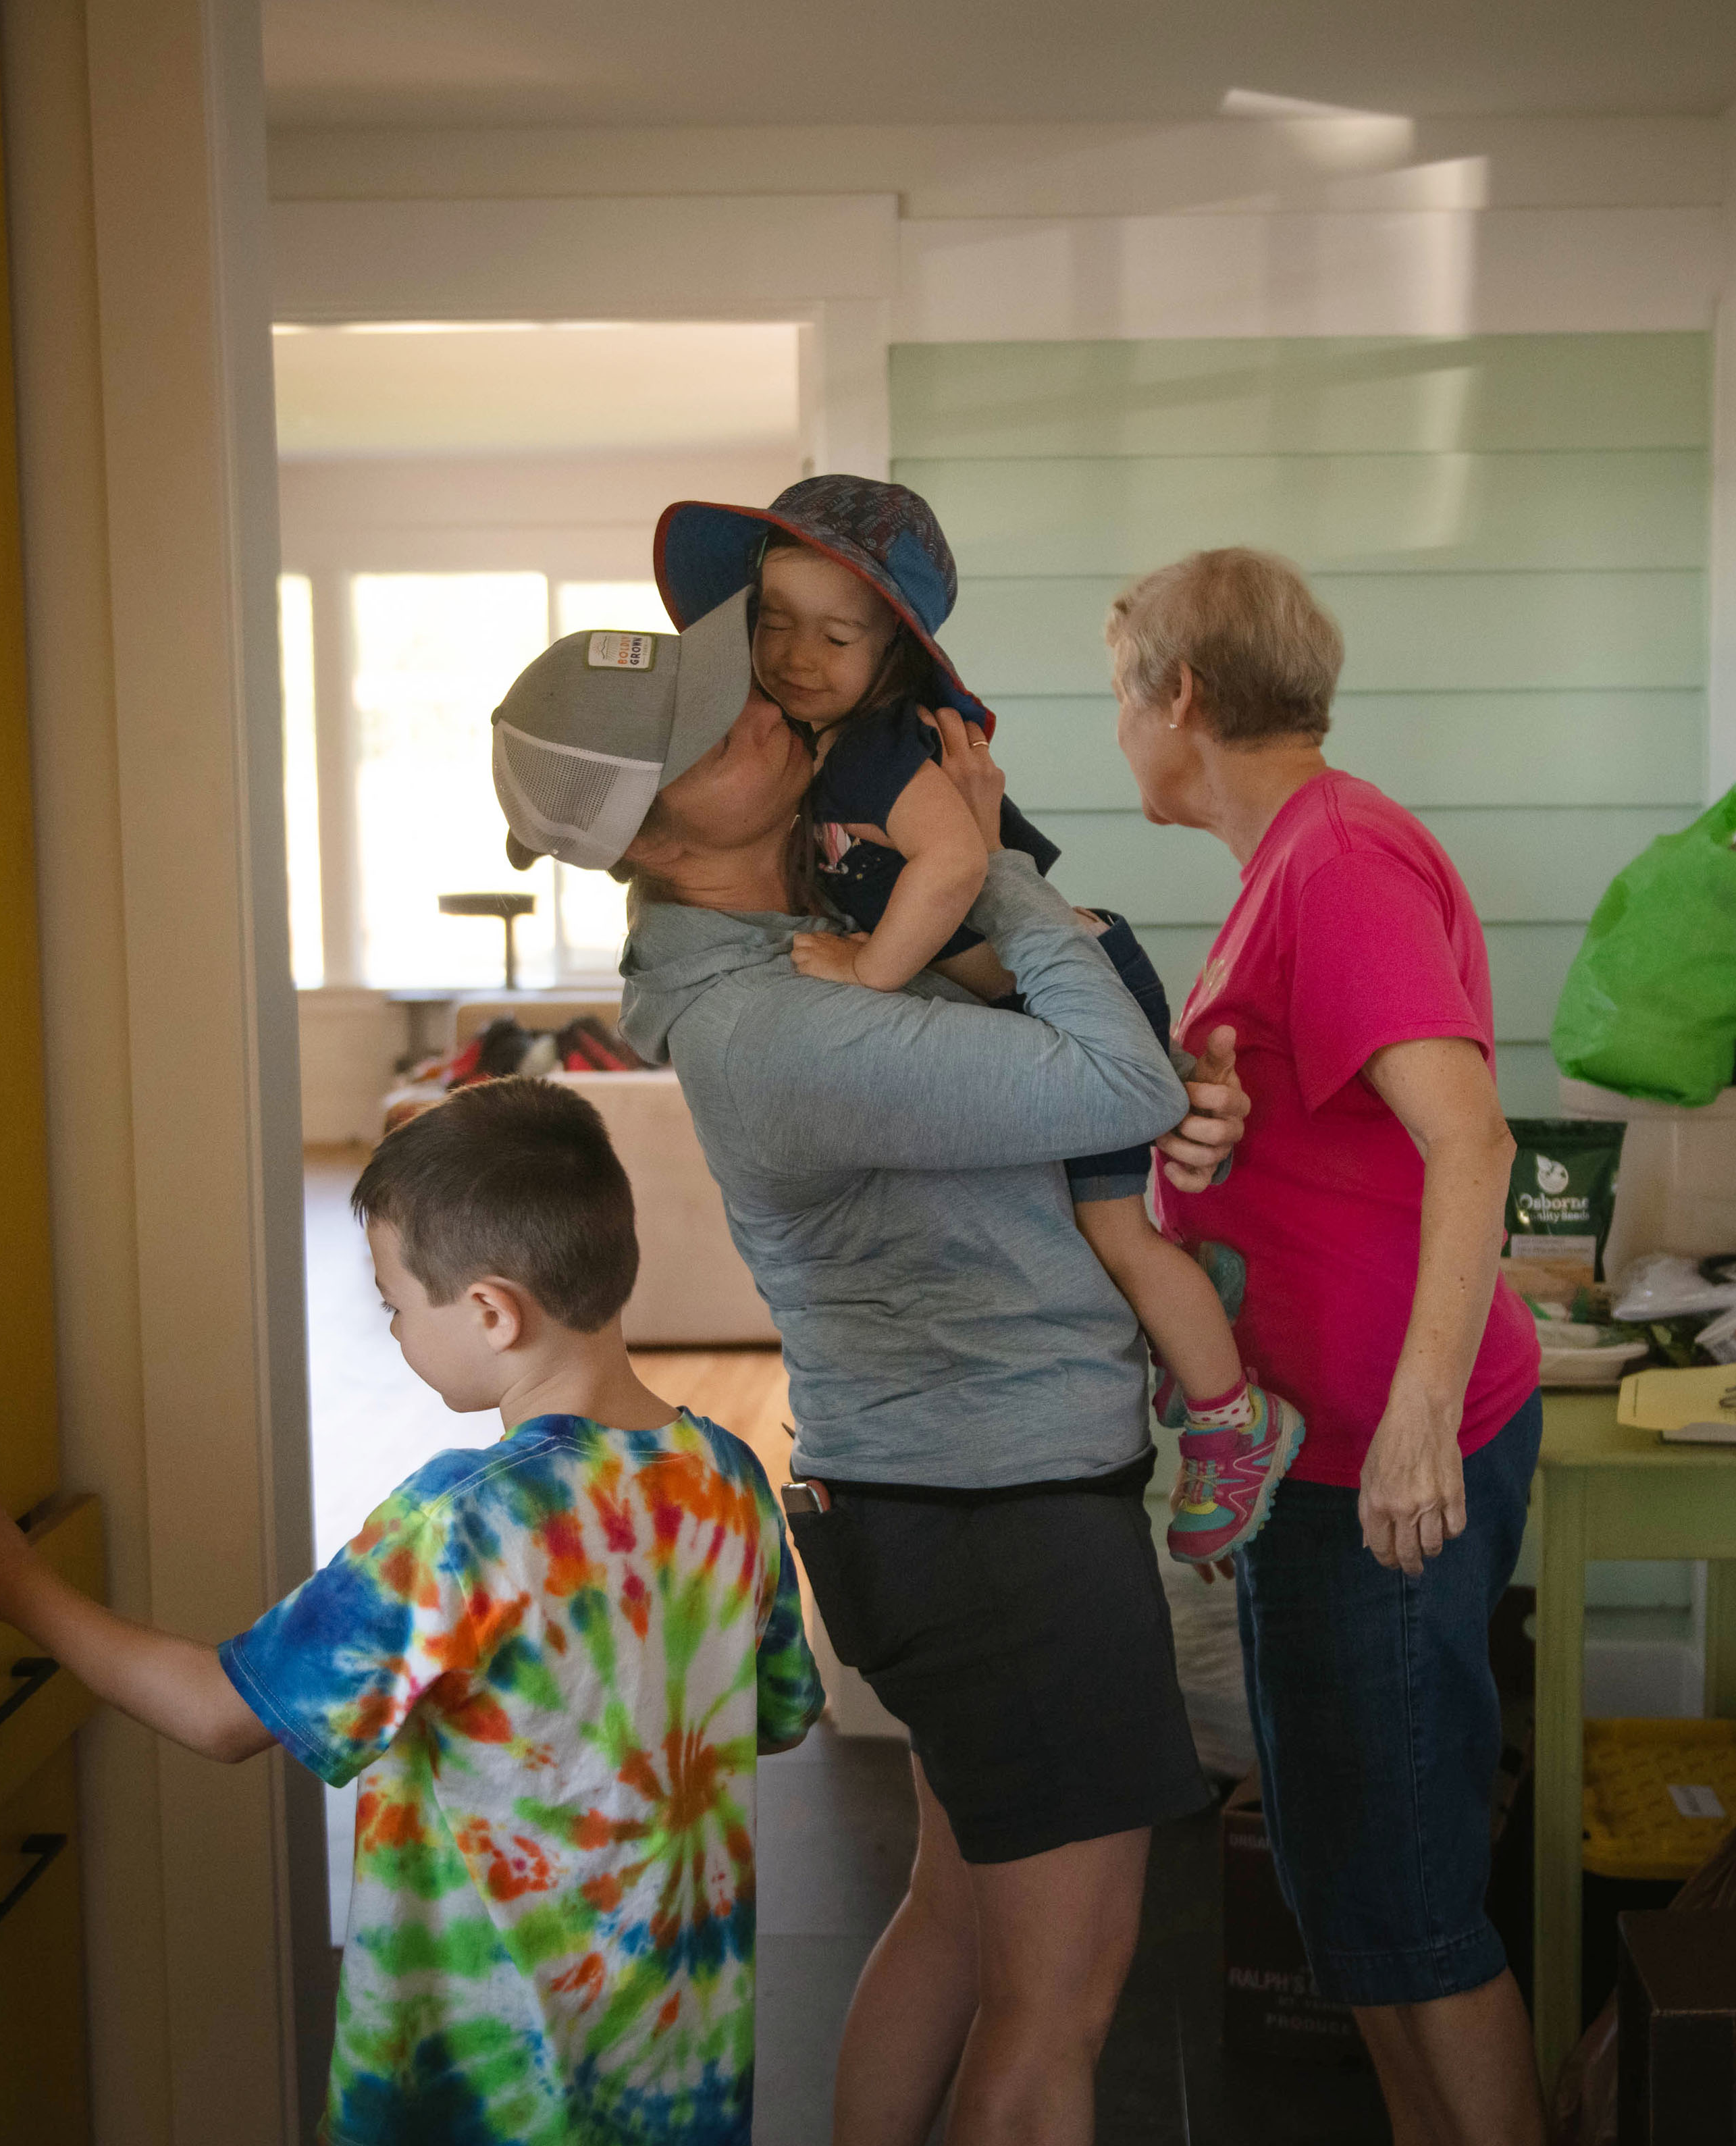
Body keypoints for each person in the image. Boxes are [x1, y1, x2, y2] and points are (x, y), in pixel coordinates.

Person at [485, 584, 1251, 2146]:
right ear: (646, 840)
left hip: (935, 1501)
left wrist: (1175, 1088)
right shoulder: (776, 1022)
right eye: (709, 725)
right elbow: (1104, 1069)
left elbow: (1107, 1090)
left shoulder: (802, 934)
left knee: (957, 1925)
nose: (764, 696)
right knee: (1055, 2014)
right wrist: (995, 857)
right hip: (1003, 1526)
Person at [0, 1078, 822, 2146]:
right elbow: (775, 1713)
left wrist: (13, 1588)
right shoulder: (728, 1476)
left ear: (493, 1312)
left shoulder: (460, 1521)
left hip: (473, 2093)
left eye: (396, 1306)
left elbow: (225, 1713)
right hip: (677, 2079)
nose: (397, 1332)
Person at [652, 476, 1300, 1565]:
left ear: (890, 655)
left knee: (1117, 1232)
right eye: (774, 624)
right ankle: (1191, 1302)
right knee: (1120, 1212)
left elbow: (961, 860)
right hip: (1032, 987)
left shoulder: (869, 750)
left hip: (1067, 975)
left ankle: (1233, 1416)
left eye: (837, 635)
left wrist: (869, 970)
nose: (796, 658)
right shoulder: (823, 756)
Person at [1117, 548, 1550, 2146]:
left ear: (1180, 695)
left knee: (1411, 1903)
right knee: (1349, 1891)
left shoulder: (1339, 863)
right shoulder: (1295, 859)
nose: (1119, 729)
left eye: (1120, 692)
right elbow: (1322, 1137)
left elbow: (1472, 1141)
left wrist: (1417, 1422)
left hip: (1385, 1457)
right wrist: (1203, 1130)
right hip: (1330, 1443)